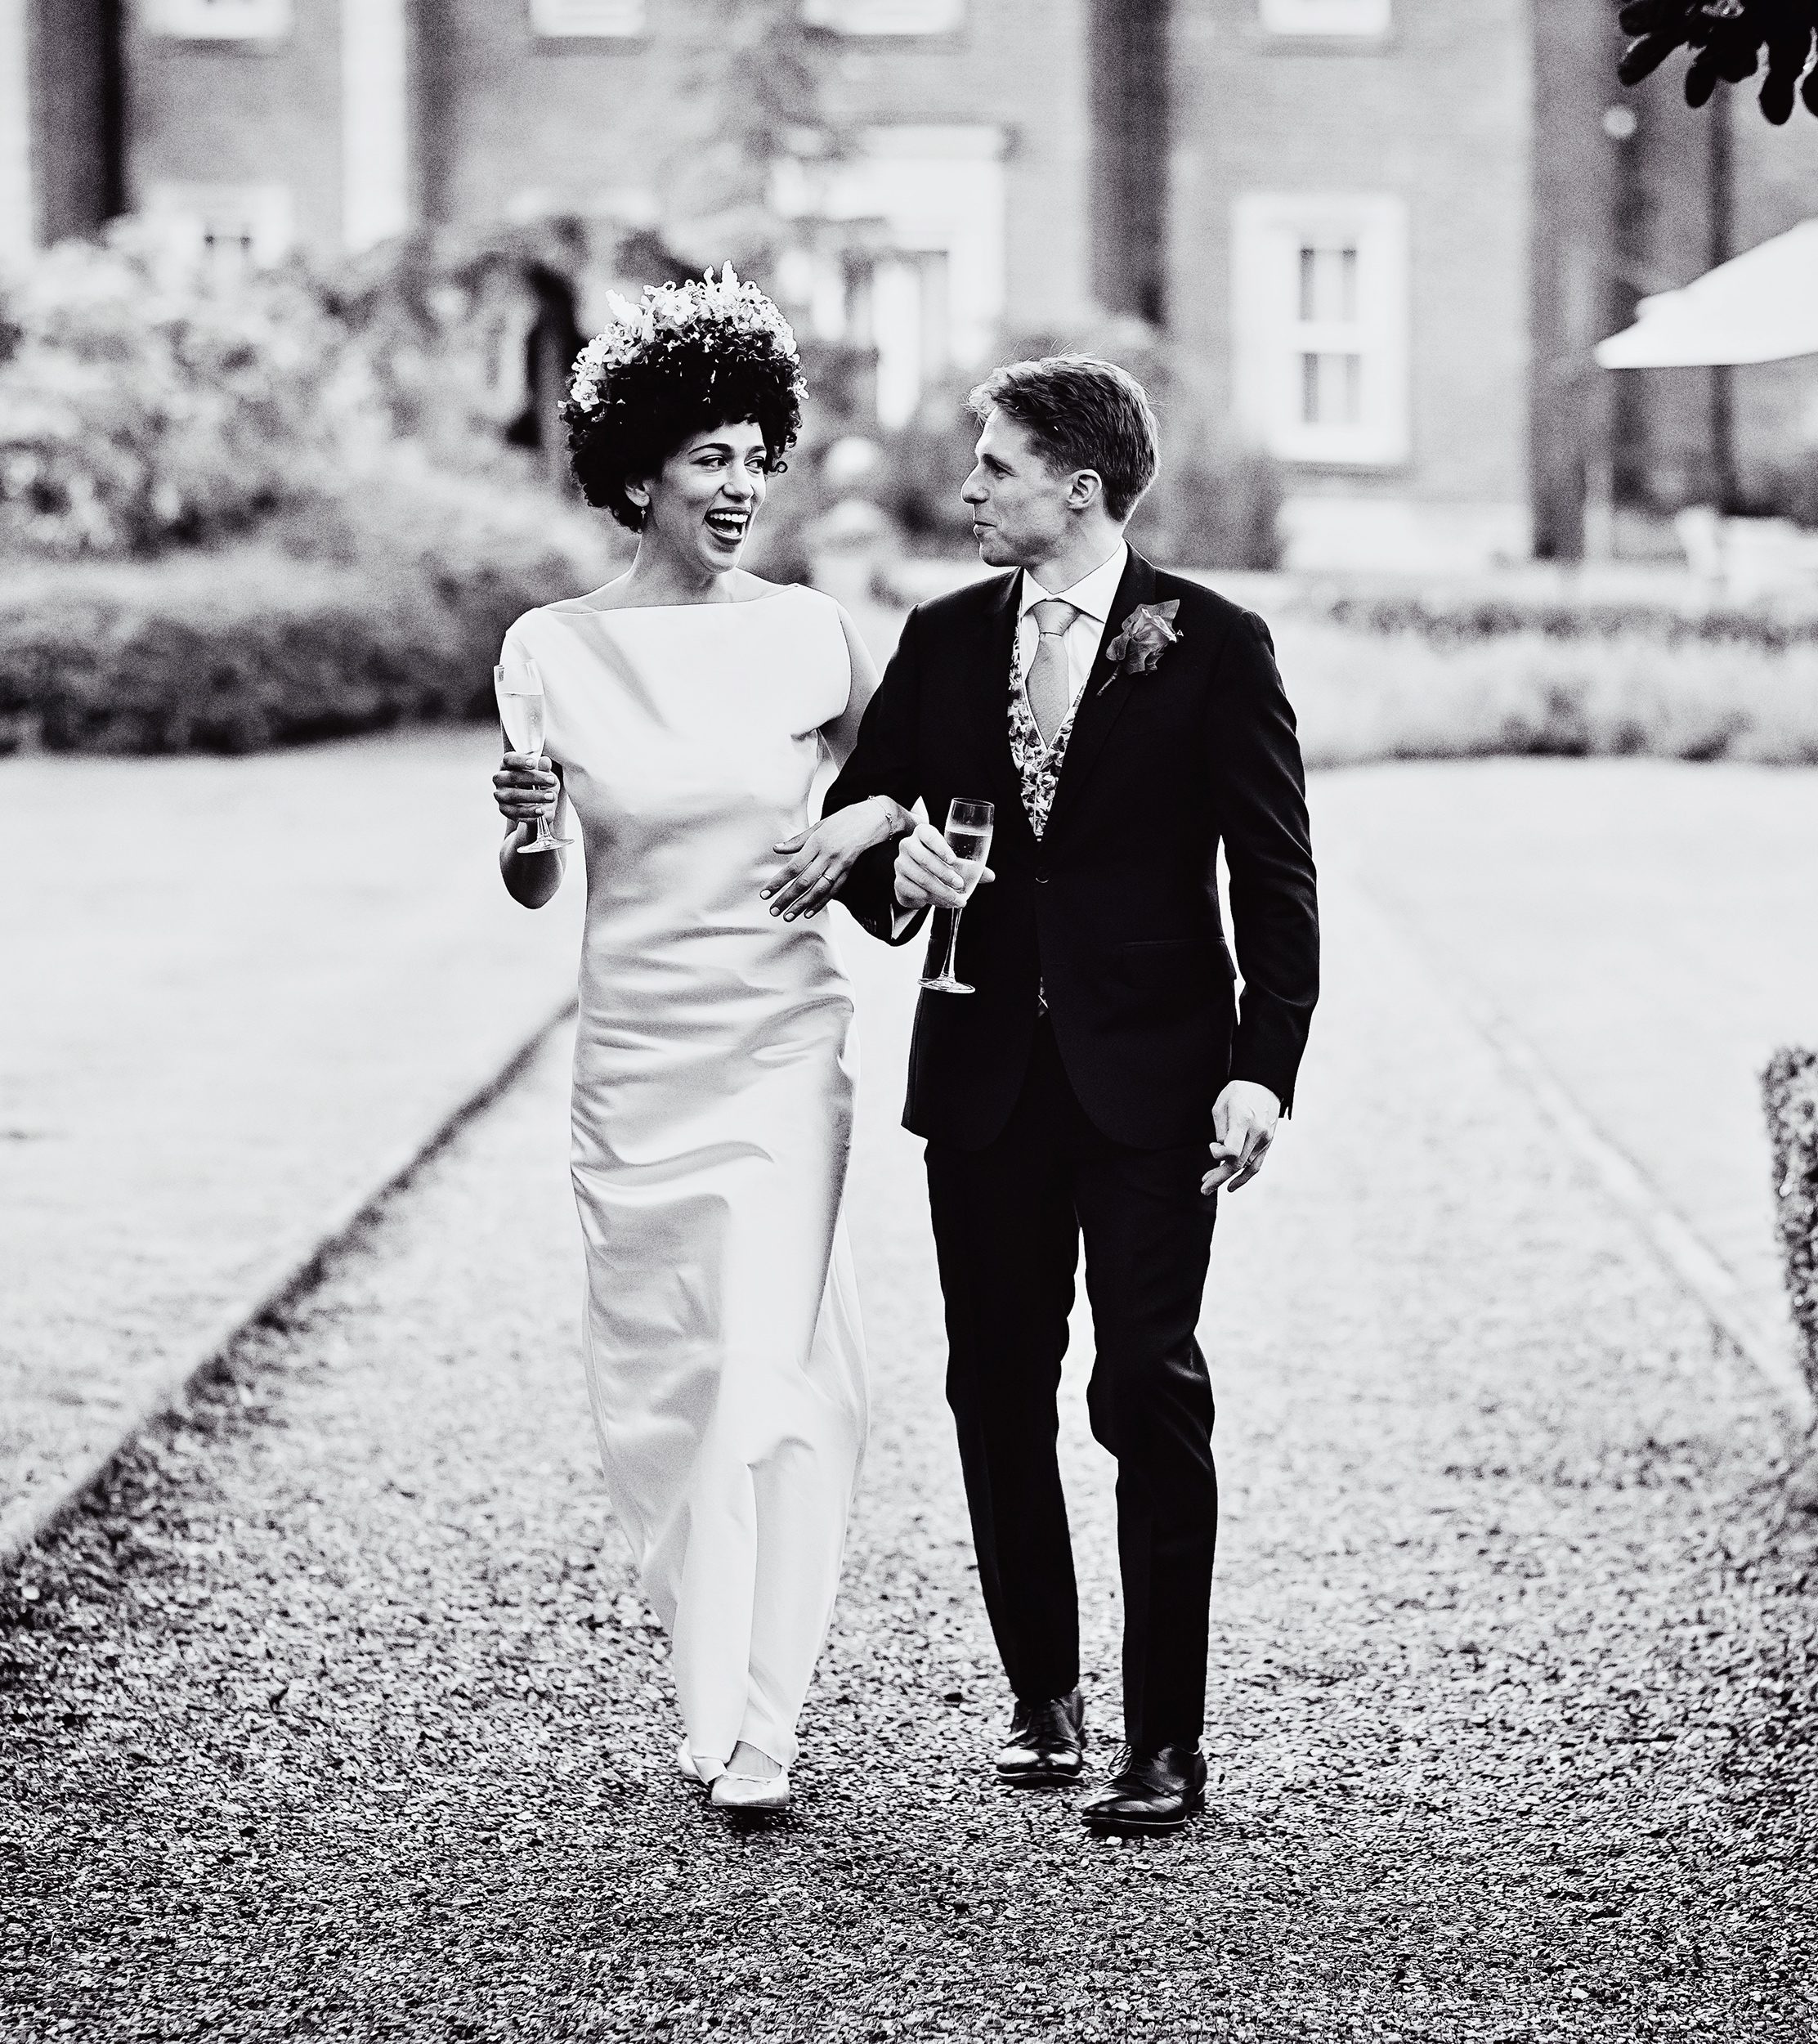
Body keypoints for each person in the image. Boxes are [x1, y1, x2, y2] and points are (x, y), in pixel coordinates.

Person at [781, 353, 1319, 1836]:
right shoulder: (945, 638)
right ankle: (1044, 1692)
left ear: (1078, 490)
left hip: (1155, 1081)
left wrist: (1262, 1070)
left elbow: (1276, 881)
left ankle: (1167, 1742)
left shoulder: (1213, 644)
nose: (967, 489)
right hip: (985, 1081)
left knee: (1147, 1387)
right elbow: (859, 828)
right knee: (993, 1386)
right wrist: (902, 859)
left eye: (996, 467)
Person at [490, 268, 909, 1816]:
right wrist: (526, 840)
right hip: (639, 1065)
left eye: (757, 454)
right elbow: (541, 877)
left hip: (784, 1046)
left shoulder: (812, 637)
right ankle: (709, 1679)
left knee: (784, 1373)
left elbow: (895, 814)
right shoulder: (549, 651)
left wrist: (868, 828)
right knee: (670, 1388)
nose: (741, 486)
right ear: (637, 470)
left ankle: (764, 1723)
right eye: (707, 458)